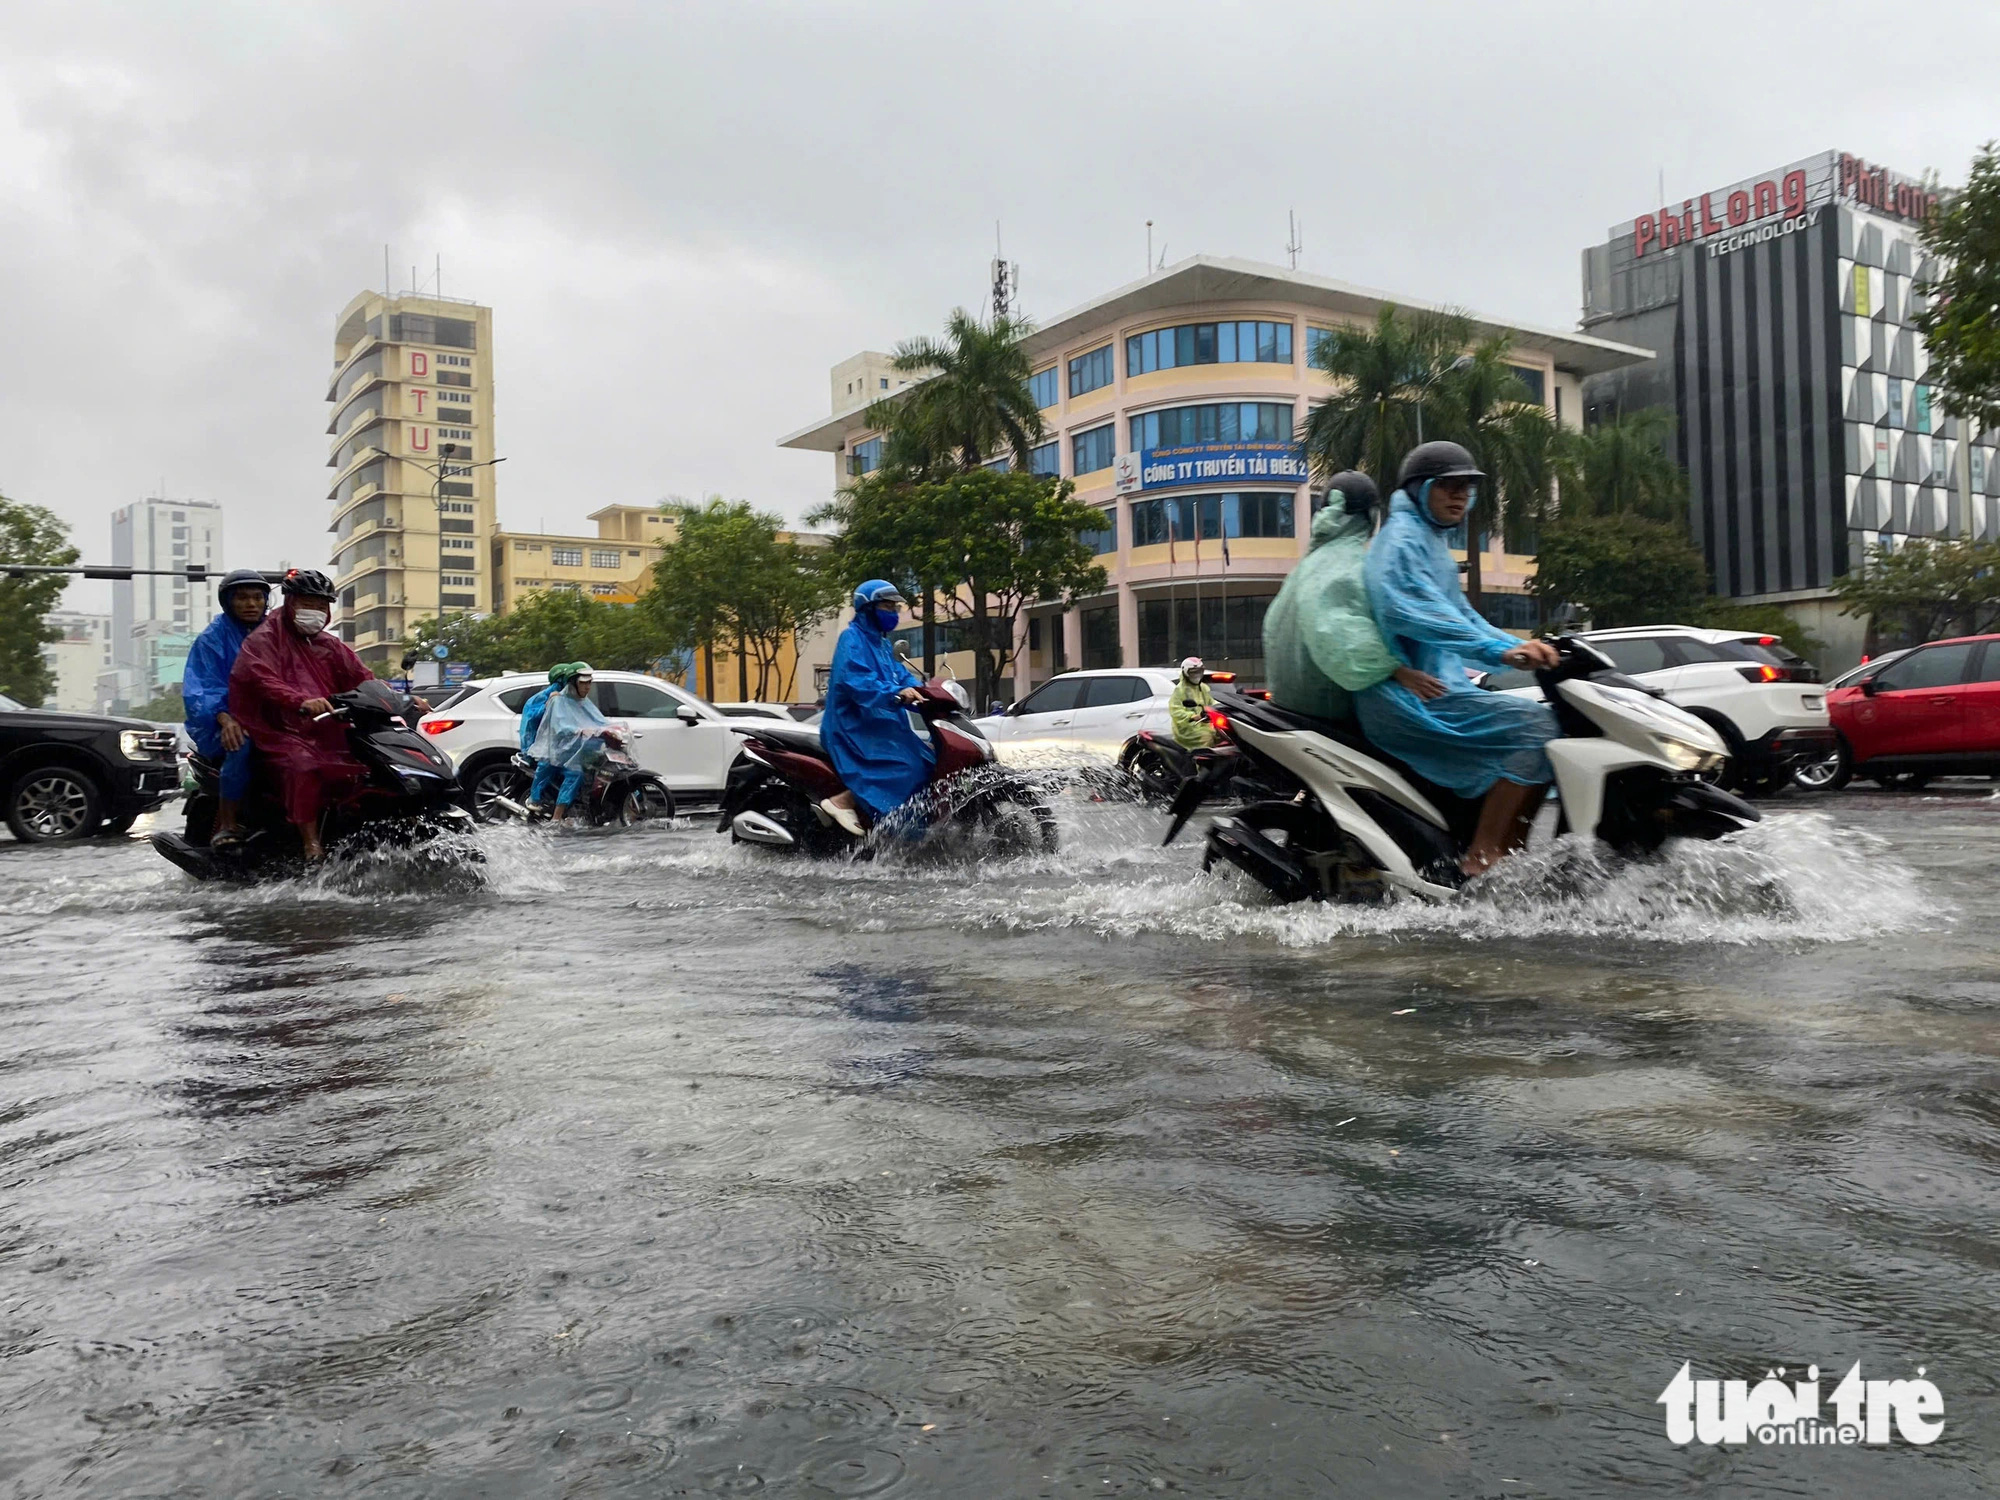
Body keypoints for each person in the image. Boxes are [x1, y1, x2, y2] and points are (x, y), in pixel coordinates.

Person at [1356, 442, 1561, 876]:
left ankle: (1509, 853)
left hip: (1438, 686)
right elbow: (1420, 615)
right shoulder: (1400, 543)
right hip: (1408, 698)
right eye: (1447, 486)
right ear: (1420, 488)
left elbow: (1462, 615)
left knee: (1545, 724)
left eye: (1466, 487)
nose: (1459, 496)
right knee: (1538, 728)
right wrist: (1501, 651)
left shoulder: (1428, 541)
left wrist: (1519, 646)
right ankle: (1484, 857)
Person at [1262, 472, 1446, 722]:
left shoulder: (1306, 567)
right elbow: (1339, 630)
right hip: (1330, 719)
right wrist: (1399, 672)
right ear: (1372, 515)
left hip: (1292, 711)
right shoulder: (1347, 563)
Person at [226, 568, 375, 862]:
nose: (316, 611)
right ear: (291, 602)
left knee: (366, 759)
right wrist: (301, 700)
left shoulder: (329, 644)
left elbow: (363, 677)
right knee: (303, 765)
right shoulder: (263, 639)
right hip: (277, 728)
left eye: (322, 605)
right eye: (308, 603)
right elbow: (262, 679)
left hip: (326, 726)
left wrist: (402, 698)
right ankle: (311, 844)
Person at [819, 580, 932, 836]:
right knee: (907, 768)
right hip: (854, 728)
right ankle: (844, 801)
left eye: (895, 607)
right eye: (886, 606)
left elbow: (900, 676)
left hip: (882, 728)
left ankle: (915, 834)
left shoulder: (881, 645)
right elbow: (857, 682)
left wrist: (924, 690)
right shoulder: (852, 639)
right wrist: (896, 694)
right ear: (867, 608)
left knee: (931, 763)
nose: (893, 612)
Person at [181, 568, 270, 847]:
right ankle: (228, 823)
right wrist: (226, 719)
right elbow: (203, 688)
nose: (251, 604)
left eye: (257, 597)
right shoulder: (212, 638)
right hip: (221, 721)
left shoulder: (277, 632)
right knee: (239, 745)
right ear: (227, 601)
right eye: (242, 598)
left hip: (273, 717)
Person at [529, 661, 615, 823]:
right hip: (559, 751)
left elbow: (597, 719)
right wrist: (579, 731)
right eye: (583, 683)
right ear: (573, 682)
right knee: (575, 774)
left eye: (589, 683)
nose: (587, 687)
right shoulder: (558, 700)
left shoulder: (583, 702)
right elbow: (560, 726)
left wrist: (612, 729)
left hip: (578, 750)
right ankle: (556, 817)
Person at [518, 663, 569, 815]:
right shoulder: (545, 697)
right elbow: (534, 718)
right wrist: (549, 704)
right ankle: (535, 798)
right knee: (547, 763)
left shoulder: (570, 698)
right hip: (540, 745)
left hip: (561, 742)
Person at [1168, 657, 1217, 750]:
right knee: (1207, 738)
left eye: (1199, 671)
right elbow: (1175, 710)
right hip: (1187, 729)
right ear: (1185, 672)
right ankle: (1200, 764)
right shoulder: (1180, 690)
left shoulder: (1204, 688)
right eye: (1193, 672)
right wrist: (1193, 716)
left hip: (1205, 725)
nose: (1197, 675)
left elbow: (1213, 702)